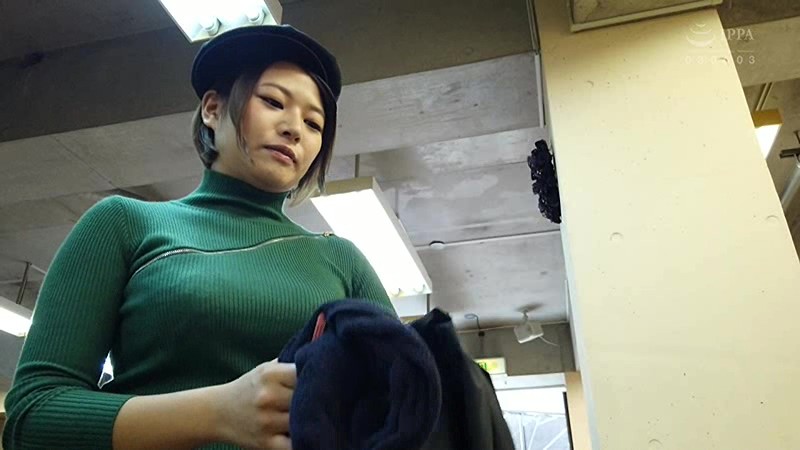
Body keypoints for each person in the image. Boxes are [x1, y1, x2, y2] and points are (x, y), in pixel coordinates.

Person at [2, 25, 394, 450]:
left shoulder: (341, 260)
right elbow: (34, 416)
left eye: (314, 123)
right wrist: (220, 412)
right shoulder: (124, 224)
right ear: (212, 108)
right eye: (273, 102)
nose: (294, 128)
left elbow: (412, 398)